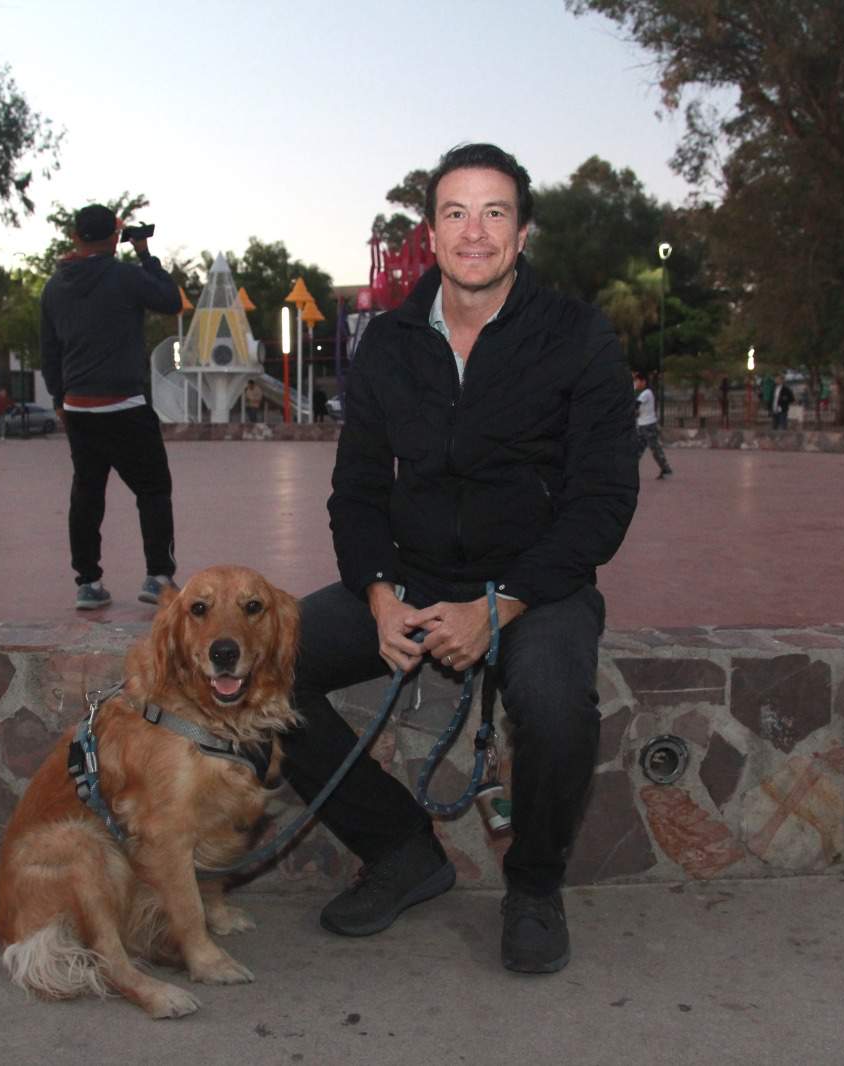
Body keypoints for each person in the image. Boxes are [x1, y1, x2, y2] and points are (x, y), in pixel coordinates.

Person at [279, 144, 639, 976]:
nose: (474, 232)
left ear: (521, 232)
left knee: (555, 704)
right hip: (410, 573)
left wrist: (501, 604)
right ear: (432, 234)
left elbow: (602, 502)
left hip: (539, 584)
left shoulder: (578, 337)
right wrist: (375, 593)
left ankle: (535, 887)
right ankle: (402, 850)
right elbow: (357, 493)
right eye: (455, 213)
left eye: (495, 212)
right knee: (270, 666)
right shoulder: (390, 344)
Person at [41, 204, 183, 610]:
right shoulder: (125, 277)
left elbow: (48, 351)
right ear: (116, 233)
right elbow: (171, 300)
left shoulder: (54, 287)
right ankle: (158, 576)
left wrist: (59, 400)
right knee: (153, 489)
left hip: (80, 408)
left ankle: (88, 583)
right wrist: (144, 253)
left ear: (74, 236)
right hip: (124, 405)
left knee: (87, 494)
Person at [633, 368, 672, 478]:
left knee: (655, 448)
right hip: (642, 425)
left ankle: (666, 469)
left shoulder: (646, 393)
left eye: (637, 381)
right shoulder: (644, 393)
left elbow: (635, 404)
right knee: (637, 449)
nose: (636, 383)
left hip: (648, 425)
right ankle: (630, 469)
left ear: (643, 381)